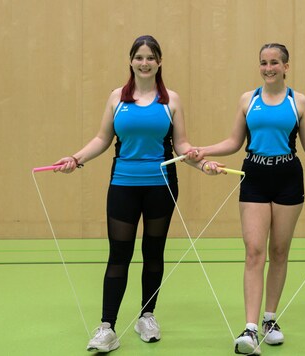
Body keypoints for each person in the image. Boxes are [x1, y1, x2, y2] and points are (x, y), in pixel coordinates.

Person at [52, 35, 224, 353]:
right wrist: (75, 159)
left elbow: (182, 145)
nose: (144, 63)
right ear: (130, 61)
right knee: (119, 255)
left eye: (150, 57)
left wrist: (203, 165)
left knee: (153, 252)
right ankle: (107, 328)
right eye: (139, 57)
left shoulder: (170, 100)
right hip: (123, 185)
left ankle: (147, 316)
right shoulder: (117, 97)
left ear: (159, 62)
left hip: (161, 185)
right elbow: (103, 138)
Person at [193, 43, 305, 355]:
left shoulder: (299, 102)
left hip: (287, 178)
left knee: (279, 251)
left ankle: (271, 320)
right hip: (254, 177)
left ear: (286, 66)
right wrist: (203, 151)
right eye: (263, 63)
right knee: (255, 252)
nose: (268, 68)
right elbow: (233, 142)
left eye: (274, 63)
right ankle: (250, 328)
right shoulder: (248, 100)